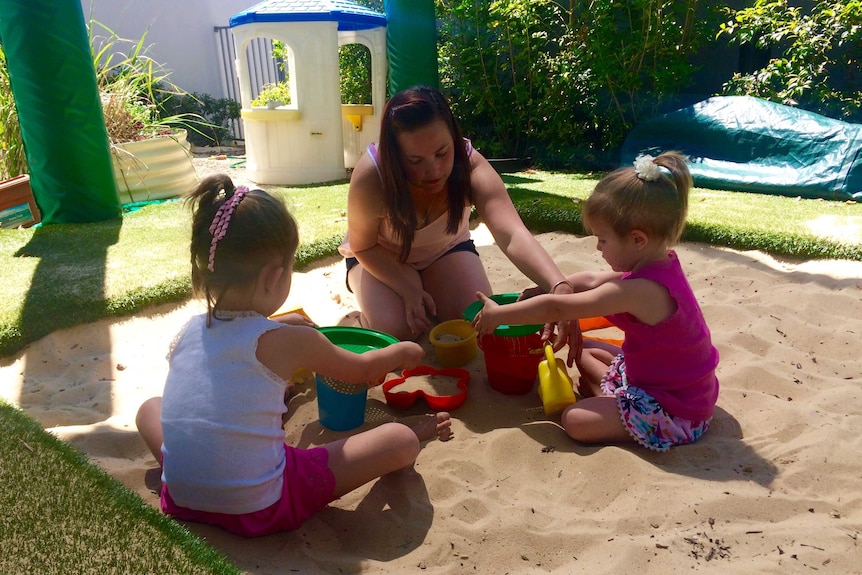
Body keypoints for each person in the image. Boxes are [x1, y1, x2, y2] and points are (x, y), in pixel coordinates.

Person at [135, 174, 452, 537]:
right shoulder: (291, 343)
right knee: (399, 440)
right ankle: (413, 434)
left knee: (149, 408)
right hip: (262, 506)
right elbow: (362, 370)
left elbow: (231, 352)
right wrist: (404, 351)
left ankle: (196, 474)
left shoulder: (188, 330)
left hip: (182, 499)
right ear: (273, 278)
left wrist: (280, 323)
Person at [471, 152, 719, 452]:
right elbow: (588, 280)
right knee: (584, 349)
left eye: (603, 239)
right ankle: (615, 402)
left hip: (676, 408)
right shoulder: (658, 263)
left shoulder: (640, 291)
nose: (598, 247)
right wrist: (554, 286)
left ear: (637, 240)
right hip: (672, 382)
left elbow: (558, 309)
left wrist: (499, 314)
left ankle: (620, 408)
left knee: (574, 419)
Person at [339, 85, 575, 341]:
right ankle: (364, 315)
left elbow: (512, 233)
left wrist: (558, 285)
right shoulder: (372, 176)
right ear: (394, 155)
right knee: (396, 332)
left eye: (442, 153)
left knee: (473, 321)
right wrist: (408, 287)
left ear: (453, 138)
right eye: (415, 161)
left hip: (445, 252)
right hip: (380, 258)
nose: (434, 171)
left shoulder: (471, 165)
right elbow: (363, 247)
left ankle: (428, 291)